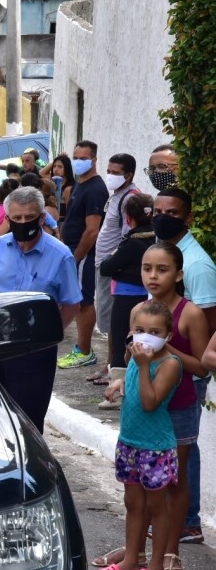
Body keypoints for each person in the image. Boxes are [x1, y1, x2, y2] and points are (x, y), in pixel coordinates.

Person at [93, 242, 210, 570]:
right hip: (142, 411)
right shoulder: (140, 311)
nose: (153, 276)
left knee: (174, 483)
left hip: (180, 405)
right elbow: (131, 359)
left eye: (162, 269)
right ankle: (136, 553)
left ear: (178, 274)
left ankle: (169, 552)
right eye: (147, 269)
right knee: (138, 491)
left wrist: (163, 347)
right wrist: (124, 375)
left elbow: (202, 368)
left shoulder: (190, 313)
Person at [0, 187, 81, 434]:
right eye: (17, 218)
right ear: (8, 219)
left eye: (29, 217)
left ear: (42, 217)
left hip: (36, 347)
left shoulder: (61, 255)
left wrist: (48, 333)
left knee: (28, 419)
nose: (23, 223)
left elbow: (72, 303)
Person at [152, 187, 216, 543]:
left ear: (188, 217)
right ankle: (166, 518)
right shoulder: (165, 253)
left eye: (172, 212)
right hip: (161, 370)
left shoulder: (197, 265)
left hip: (187, 371)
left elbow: (207, 330)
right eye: (157, 209)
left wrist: (174, 357)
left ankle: (188, 521)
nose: (162, 216)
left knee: (184, 446)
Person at [107, 300, 182, 570]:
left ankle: (155, 563)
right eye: (139, 330)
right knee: (133, 504)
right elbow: (132, 382)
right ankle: (130, 559)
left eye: (155, 332)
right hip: (129, 442)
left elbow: (150, 402)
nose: (146, 337)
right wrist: (119, 380)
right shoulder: (134, 356)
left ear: (167, 336)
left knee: (156, 508)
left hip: (155, 448)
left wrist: (141, 366)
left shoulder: (169, 364)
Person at [87, 153, 141, 385]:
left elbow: (125, 236)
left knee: (114, 322)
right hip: (103, 264)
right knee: (109, 320)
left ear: (128, 175)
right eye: (109, 171)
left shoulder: (130, 198)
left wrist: (112, 262)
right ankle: (110, 363)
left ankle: (114, 366)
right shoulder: (118, 195)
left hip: (111, 267)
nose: (110, 176)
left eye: (116, 173)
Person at [57, 140, 109, 369]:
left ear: (94, 160)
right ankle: (81, 348)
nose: (78, 162)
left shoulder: (96, 189)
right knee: (77, 301)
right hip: (73, 250)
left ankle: (85, 351)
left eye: (83, 158)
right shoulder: (81, 183)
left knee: (84, 301)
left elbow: (92, 230)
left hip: (83, 253)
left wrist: (76, 257)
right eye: (75, 157)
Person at [99, 194, 155, 391]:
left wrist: (117, 264)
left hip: (126, 298)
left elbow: (106, 267)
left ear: (128, 219)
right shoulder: (156, 239)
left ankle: (117, 387)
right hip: (148, 297)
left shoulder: (131, 243)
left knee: (121, 340)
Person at [40, 154, 74, 221]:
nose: (55, 169)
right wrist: (56, 159)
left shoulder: (68, 189)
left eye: (60, 167)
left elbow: (69, 213)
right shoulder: (54, 181)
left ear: (67, 168)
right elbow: (41, 173)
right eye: (54, 167)